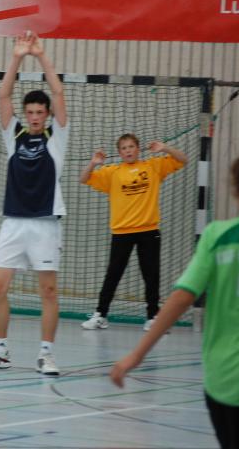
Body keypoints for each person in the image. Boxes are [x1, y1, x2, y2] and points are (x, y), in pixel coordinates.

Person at [111, 154, 239, 449]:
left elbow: (183, 297)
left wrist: (138, 355)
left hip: (227, 378)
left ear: (236, 190)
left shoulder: (218, 237)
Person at [0, 31, 68, 376]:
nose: (35, 116)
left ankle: (46, 354)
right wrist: (17, 57)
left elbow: (59, 92)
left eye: (40, 112)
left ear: (48, 114)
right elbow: (3, 94)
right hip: (13, 221)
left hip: (45, 223)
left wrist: (41, 56)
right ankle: (0, 352)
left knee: (48, 291)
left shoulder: (57, 138)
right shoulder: (14, 136)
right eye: (30, 112)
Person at [80, 135, 187, 331]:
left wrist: (165, 148)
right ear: (119, 152)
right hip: (122, 232)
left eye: (131, 146)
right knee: (113, 274)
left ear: (138, 149)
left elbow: (183, 159)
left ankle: (152, 317)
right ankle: (100, 315)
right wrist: (93, 163)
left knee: (151, 275)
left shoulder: (153, 166)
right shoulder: (112, 172)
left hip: (149, 231)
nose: (128, 150)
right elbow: (83, 179)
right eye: (124, 148)